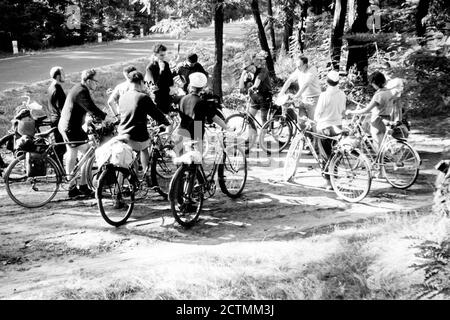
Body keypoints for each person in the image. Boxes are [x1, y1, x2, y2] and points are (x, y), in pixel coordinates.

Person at [58, 69, 106, 198]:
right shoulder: (81, 91)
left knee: (72, 154)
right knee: (89, 154)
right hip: (71, 128)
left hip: (65, 125)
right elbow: (91, 107)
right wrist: (104, 118)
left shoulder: (78, 87)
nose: (97, 84)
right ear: (89, 81)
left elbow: (85, 108)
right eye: (96, 81)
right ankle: (83, 186)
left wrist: (91, 117)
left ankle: (72, 186)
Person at [117, 71, 170, 175]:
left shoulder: (123, 96)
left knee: (131, 156)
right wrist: (165, 122)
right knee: (144, 149)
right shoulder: (142, 97)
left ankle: (133, 178)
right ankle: (146, 175)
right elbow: (155, 112)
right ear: (141, 82)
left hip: (122, 131)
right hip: (136, 133)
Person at [176, 72, 230, 154]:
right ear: (202, 88)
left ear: (190, 86)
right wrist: (227, 128)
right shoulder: (202, 102)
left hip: (183, 127)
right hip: (197, 129)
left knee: (181, 156)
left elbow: (180, 113)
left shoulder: (182, 99)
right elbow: (215, 118)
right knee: (197, 157)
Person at [313, 70, 346, 189]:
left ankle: (328, 182)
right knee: (335, 154)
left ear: (327, 82)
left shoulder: (324, 95)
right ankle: (334, 177)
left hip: (325, 126)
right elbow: (342, 110)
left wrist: (316, 120)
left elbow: (318, 113)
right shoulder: (342, 94)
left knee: (324, 154)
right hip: (338, 126)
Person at [346, 71, 394, 151]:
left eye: (372, 84)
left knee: (378, 149)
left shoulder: (379, 95)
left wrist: (351, 112)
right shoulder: (389, 92)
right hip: (387, 119)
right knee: (383, 149)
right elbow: (383, 106)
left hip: (377, 121)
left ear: (375, 83)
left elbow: (366, 110)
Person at [279, 55, 322, 120]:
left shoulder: (312, 70)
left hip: (314, 99)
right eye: (297, 66)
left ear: (305, 64)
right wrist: (281, 92)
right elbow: (289, 80)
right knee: (301, 121)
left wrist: (297, 95)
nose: (298, 68)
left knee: (312, 122)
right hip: (304, 98)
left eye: (299, 66)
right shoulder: (299, 70)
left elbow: (306, 84)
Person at [144, 44, 174, 114]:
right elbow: (155, 86)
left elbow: (170, 82)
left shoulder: (166, 64)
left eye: (164, 55)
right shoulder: (150, 68)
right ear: (155, 54)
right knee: (162, 119)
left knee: (168, 116)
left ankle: (198, 125)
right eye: (161, 55)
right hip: (158, 98)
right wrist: (161, 71)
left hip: (167, 95)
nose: (163, 57)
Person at [247, 51, 272, 125]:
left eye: (258, 60)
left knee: (263, 118)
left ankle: (264, 133)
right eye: (254, 60)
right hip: (256, 95)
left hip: (265, 95)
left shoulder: (263, 69)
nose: (256, 61)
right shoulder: (254, 69)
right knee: (250, 118)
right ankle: (252, 135)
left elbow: (258, 80)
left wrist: (253, 86)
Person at [47, 66, 67, 163]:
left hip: (54, 119)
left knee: (60, 146)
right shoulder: (57, 89)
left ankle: (56, 166)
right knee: (61, 148)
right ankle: (57, 169)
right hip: (59, 121)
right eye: (63, 73)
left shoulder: (51, 87)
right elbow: (62, 108)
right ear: (58, 76)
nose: (65, 75)